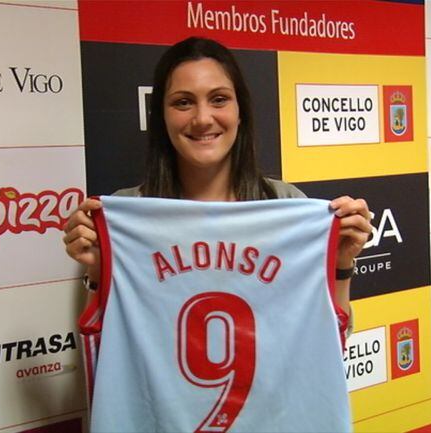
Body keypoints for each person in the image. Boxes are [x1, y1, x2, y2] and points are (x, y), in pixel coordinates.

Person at [64, 36, 372, 332]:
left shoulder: (286, 203)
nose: (202, 118)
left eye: (219, 99)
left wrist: (340, 264)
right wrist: (99, 273)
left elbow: (329, 340)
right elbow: (109, 353)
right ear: (162, 117)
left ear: (240, 112)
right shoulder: (128, 215)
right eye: (183, 102)